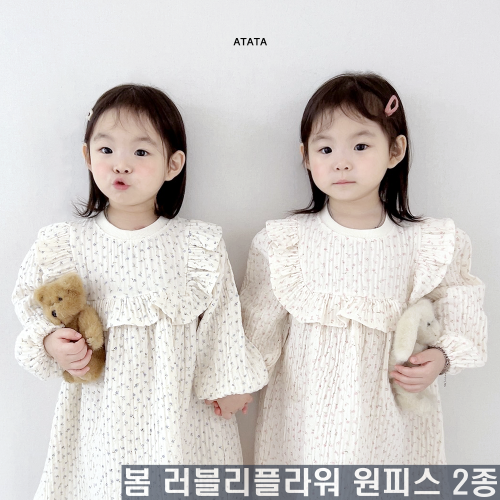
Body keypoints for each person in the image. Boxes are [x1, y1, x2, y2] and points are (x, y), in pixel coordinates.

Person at [13, 84, 267, 498]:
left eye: (141, 152)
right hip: (101, 414)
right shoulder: (65, 244)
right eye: (107, 149)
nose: (121, 164)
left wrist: (231, 381)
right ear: (87, 156)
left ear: (173, 164)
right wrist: (49, 342)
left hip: (180, 414)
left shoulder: (196, 245)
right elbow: (32, 306)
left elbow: (222, 317)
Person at [240, 73, 487, 464]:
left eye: (360, 146)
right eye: (325, 149)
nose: (341, 162)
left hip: (392, 420)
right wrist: (237, 382)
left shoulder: (429, 243)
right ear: (306, 157)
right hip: (307, 422)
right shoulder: (284, 242)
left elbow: (460, 311)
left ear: (395, 150)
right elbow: (258, 324)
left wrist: (442, 357)